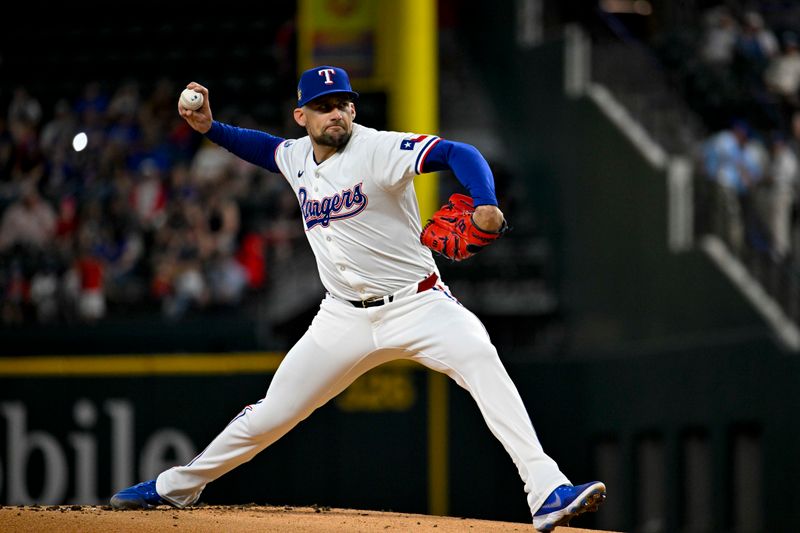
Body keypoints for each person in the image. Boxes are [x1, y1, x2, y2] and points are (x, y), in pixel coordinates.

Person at [109, 65, 605, 531]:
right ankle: (176, 487)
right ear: (301, 117)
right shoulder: (297, 156)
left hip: (419, 305)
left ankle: (546, 490)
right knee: (272, 413)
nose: (337, 114)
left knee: (480, 357)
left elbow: (460, 154)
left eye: (344, 104)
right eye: (324, 106)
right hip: (341, 317)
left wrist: (486, 202)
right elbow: (263, 149)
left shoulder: (379, 150)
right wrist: (211, 129)